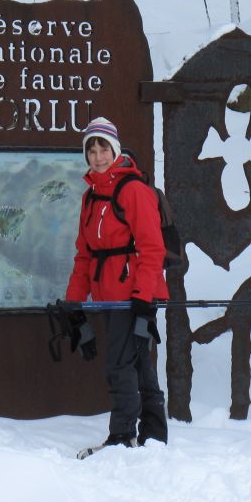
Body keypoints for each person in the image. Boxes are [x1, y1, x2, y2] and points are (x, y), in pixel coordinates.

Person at [65, 116, 168, 455]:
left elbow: (152, 247)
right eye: (91, 150)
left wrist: (142, 297)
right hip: (107, 297)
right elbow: (84, 255)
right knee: (136, 360)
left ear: (115, 150)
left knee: (119, 365)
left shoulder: (133, 190)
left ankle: (122, 435)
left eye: (103, 148)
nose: (98, 156)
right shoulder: (91, 197)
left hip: (132, 295)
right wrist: (74, 304)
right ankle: (154, 434)